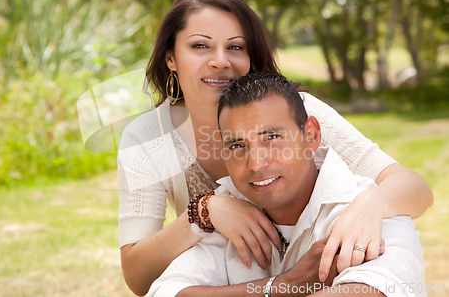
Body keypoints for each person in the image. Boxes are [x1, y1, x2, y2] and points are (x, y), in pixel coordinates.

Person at [117, 0, 432, 296]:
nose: (220, 61)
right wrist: (204, 213)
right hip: (226, 276)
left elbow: (412, 187)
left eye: (236, 47)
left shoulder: (300, 110)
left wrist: (371, 204)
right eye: (200, 46)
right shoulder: (147, 138)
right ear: (171, 58)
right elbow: (140, 279)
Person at [147, 72, 426, 297]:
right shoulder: (231, 213)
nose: (256, 163)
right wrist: (285, 285)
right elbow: (167, 291)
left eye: (272, 137)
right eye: (238, 145)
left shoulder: (369, 216)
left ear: (312, 135)